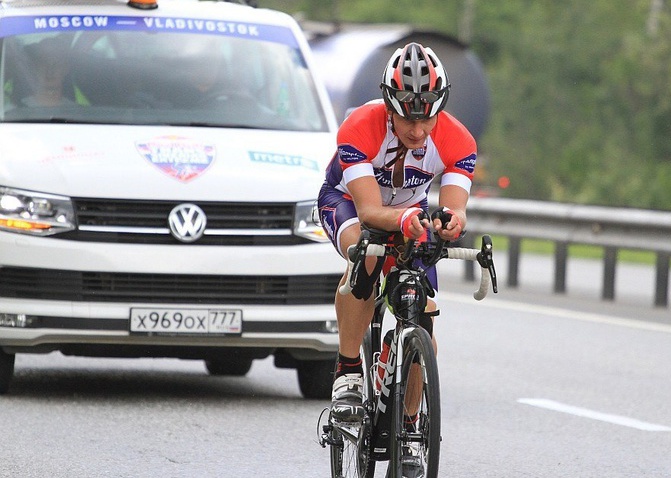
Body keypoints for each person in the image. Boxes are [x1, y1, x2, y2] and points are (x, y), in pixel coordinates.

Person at [317, 43, 477, 423]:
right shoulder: (359, 127)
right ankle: (349, 369)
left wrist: (451, 221)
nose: (418, 131)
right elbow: (370, 211)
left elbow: (455, 207)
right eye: (407, 120)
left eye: (427, 120)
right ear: (389, 106)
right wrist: (404, 220)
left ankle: (408, 425)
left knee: (423, 313)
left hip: (410, 213)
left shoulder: (459, 140)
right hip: (348, 203)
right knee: (368, 252)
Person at [21, 36, 74, 107]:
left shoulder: (80, 114)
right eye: (44, 62)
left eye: (56, 64)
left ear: (66, 68)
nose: (50, 70)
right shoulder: (8, 115)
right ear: (35, 67)